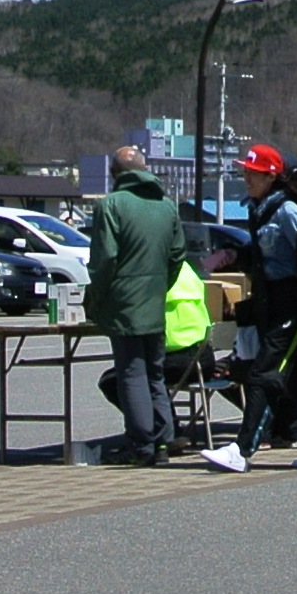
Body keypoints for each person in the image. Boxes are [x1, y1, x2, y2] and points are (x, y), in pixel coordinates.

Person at [201, 146, 297, 471]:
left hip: (294, 303)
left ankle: (241, 451)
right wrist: (234, 256)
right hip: (271, 303)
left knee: (263, 373)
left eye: (253, 173)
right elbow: (265, 255)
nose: (246, 178)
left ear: (270, 177)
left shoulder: (287, 211)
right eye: (245, 172)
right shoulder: (260, 209)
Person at [88, 144, 191, 464]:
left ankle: (141, 445)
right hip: (154, 301)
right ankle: (163, 442)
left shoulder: (111, 205)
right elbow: (178, 255)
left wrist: (95, 299)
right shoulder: (167, 206)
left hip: (124, 304)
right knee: (154, 375)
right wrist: (159, 286)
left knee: (131, 373)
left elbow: (105, 260)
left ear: (114, 173)